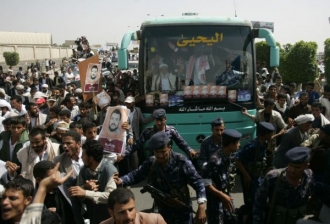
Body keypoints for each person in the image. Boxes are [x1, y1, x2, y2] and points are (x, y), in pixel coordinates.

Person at [115, 132, 207, 224]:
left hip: (182, 211)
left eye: (163, 151)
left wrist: (201, 206)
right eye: (156, 152)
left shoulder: (181, 162)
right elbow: (135, 175)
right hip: (162, 212)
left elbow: (198, 183)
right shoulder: (152, 162)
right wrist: (121, 180)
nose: (160, 155)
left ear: (169, 147)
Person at [253, 147, 330, 224]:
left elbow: (321, 190)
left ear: (307, 166)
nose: (292, 170)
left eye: (297, 167)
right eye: (290, 165)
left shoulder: (308, 177)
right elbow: (259, 202)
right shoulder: (273, 177)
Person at [68, 140, 117, 224]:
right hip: (93, 216)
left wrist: (86, 193)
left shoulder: (110, 171)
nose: (81, 157)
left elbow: (110, 196)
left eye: (83, 155)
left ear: (91, 159)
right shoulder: (84, 170)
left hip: (110, 218)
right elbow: (78, 192)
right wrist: (85, 187)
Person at [234, 122, 275, 223]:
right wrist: (246, 175)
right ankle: (241, 216)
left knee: (258, 200)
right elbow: (237, 158)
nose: (271, 136)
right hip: (249, 178)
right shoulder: (252, 145)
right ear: (264, 134)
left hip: (257, 177)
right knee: (251, 202)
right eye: (270, 133)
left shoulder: (264, 144)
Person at [201, 129, 241, 223]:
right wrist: (222, 196)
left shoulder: (229, 156)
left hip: (225, 197)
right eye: (238, 143)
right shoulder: (215, 160)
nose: (239, 145)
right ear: (231, 145)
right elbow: (206, 183)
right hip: (216, 201)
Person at [123, 109, 197, 160]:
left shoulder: (171, 131)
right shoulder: (148, 131)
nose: (159, 123)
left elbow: (182, 143)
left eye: (161, 120)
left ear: (165, 119)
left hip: (168, 160)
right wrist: (124, 154)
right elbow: (137, 145)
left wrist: (190, 151)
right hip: (154, 160)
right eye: (157, 120)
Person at [100, 188, 167, 224]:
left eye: (131, 209)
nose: (128, 216)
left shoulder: (155, 221)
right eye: (122, 212)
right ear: (111, 212)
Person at [124, 96, 154, 169]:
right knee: (125, 154)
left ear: (133, 103)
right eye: (126, 103)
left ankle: (135, 170)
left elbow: (143, 121)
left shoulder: (137, 110)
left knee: (134, 154)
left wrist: (153, 116)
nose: (127, 105)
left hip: (134, 135)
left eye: (129, 104)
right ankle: (128, 170)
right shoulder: (124, 110)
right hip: (125, 135)